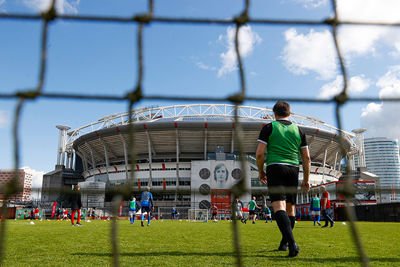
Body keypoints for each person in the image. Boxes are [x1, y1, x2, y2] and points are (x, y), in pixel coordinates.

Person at [256, 101, 310, 257]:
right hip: (293, 169)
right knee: (290, 209)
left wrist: (261, 172)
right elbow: (306, 157)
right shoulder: (298, 130)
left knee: (278, 207)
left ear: (274, 113)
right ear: (289, 113)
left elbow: (259, 154)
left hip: (275, 167)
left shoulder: (269, 127)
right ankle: (284, 243)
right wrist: (306, 179)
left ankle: (292, 243)